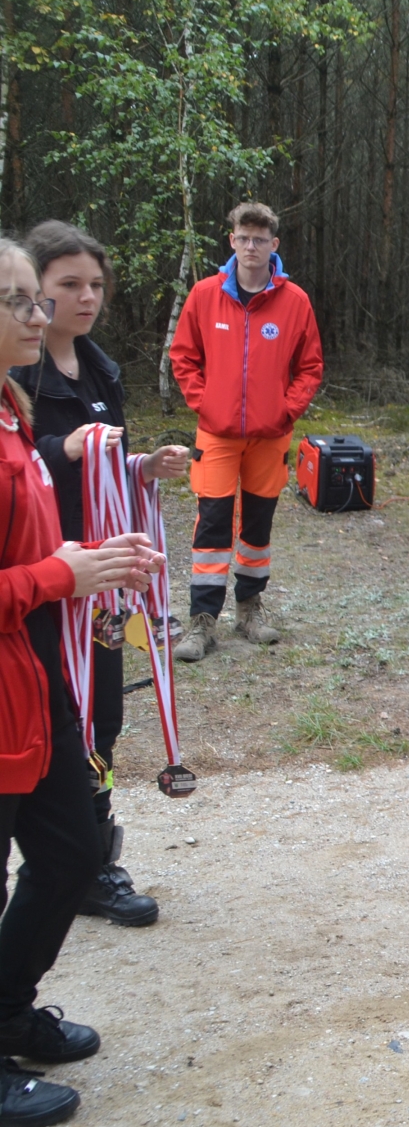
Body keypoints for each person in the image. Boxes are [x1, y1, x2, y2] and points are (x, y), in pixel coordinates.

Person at [0, 237, 162, 1127]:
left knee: (70, 851)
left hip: (31, 676)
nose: (40, 314)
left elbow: (31, 544)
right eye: (19, 300)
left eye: (39, 297)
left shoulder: (12, 409)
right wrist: (61, 574)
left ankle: (7, 1010)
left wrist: (95, 558)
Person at [12, 220, 188, 927]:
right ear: (35, 291)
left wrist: (143, 468)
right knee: (47, 720)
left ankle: (91, 861)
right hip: (42, 578)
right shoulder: (16, 375)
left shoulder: (101, 369)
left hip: (101, 577)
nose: (86, 298)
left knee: (100, 717)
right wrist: (65, 449)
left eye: (95, 285)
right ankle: (56, 859)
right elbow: (28, 471)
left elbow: (107, 468)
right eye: (68, 285)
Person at [169, 202, 322, 662]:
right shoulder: (205, 294)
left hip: (270, 437)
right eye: (243, 237)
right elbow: (183, 356)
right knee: (212, 524)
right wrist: (206, 403)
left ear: (274, 244)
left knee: (258, 524)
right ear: (231, 241)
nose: (251, 246)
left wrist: (285, 411)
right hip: (216, 435)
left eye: (259, 239)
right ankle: (202, 621)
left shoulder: (295, 302)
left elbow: (310, 367)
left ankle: (249, 610)